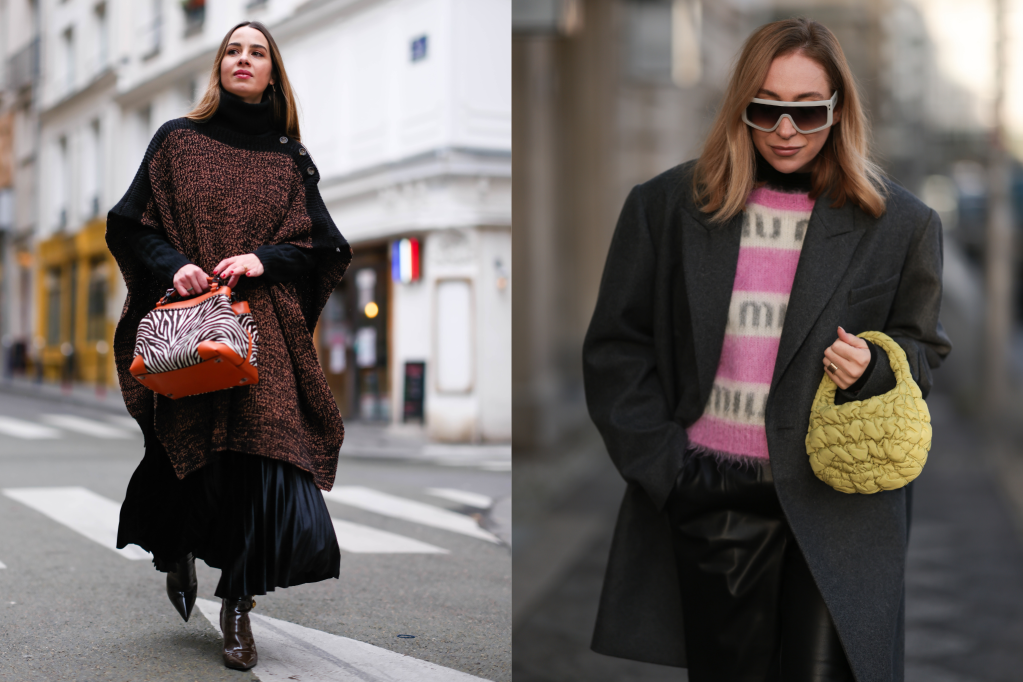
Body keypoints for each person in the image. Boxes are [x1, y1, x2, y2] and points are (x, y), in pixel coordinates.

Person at [582, 17, 951, 682]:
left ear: (838, 112)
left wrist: (874, 369)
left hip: (837, 504)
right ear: (740, 108)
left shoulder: (900, 224)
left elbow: (921, 349)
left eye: (807, 112)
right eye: (767, 108)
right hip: (710, 494)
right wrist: (669, 470)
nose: (786, 130)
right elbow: (616, 348)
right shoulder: (664, 207)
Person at [106, 21, 353, 671]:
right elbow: (129, 225)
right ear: (218, 68)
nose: (244, 60)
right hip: (191, 328)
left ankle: (237, 607)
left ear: (273, 73)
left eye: (258, 53)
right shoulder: (176, 143)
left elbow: (325, 249)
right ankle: (177, 553)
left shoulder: (289, 158)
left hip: (263, 337)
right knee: (190, 460)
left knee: (260, 467)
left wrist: (260, 258)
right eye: (233, 51)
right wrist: (172, 265)